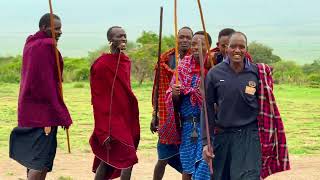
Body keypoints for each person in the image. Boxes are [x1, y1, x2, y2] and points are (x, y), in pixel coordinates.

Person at [203, 32, 290, 179]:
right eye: (233, 46)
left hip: (249, 136)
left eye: (241, 47)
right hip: (223, 136)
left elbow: (265, 104)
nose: (237, 50)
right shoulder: (214, 74)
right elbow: (207, 109)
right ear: (226, 48)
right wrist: (206, 142)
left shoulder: (256, 73)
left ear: (246, 49)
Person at [9, 13, 72, 180]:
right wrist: (62, 115)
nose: (60, 32)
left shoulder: (31, 44)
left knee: (33, 159)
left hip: (28, 111)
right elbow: (49, 86)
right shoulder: (47, 46)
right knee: (41, 162)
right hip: (44, 115)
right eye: (56, 28)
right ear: (44, 27)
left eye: (60, 29)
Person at [89, 26, 140, 180]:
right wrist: (104, 129)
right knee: (127, 158)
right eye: (119, 36)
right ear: (110, 40)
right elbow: (98, 97)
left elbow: (125, 91)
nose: (123, 39)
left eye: (125, 36)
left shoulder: (125, 61)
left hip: (126, 117)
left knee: (110, 160)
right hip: (111, 120)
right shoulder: (101, 64)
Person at [166, 31, 211, 180]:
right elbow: (173, 100)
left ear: (208, 46)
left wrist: (204, 93)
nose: (196, 48)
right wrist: (175, 93)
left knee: (204, 165)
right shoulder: (182, 67)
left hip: (207, 128)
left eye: (201, 44)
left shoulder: (213, 69)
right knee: (187, 166)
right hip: (188, 126)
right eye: (194, 44)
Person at [150, 27, 193, 180]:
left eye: (188, 37)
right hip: (167, 114)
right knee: (163, 158)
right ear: (176, 39)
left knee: (190, 159)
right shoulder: (166, 59)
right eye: (181, 37)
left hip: (188, 115)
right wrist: (154, 114)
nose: (185, 40)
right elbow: (157, 88)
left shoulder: (195, 61)